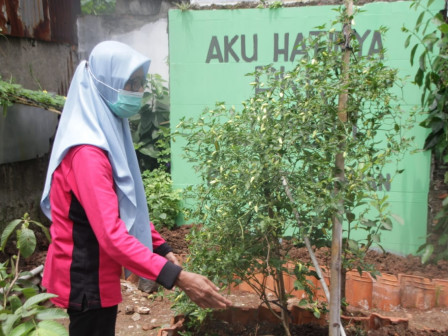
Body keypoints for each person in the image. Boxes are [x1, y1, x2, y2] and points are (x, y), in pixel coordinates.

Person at [40, 40, 232, 336]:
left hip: (97, 274)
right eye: (130, 83)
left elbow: (127, 206)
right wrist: (178, 277)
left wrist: (161, 247)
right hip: (84, 279)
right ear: (104, 83)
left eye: (140, 83)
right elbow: (112, 234)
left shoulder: (107, 133)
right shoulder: (88, 154)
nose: (137, 92)